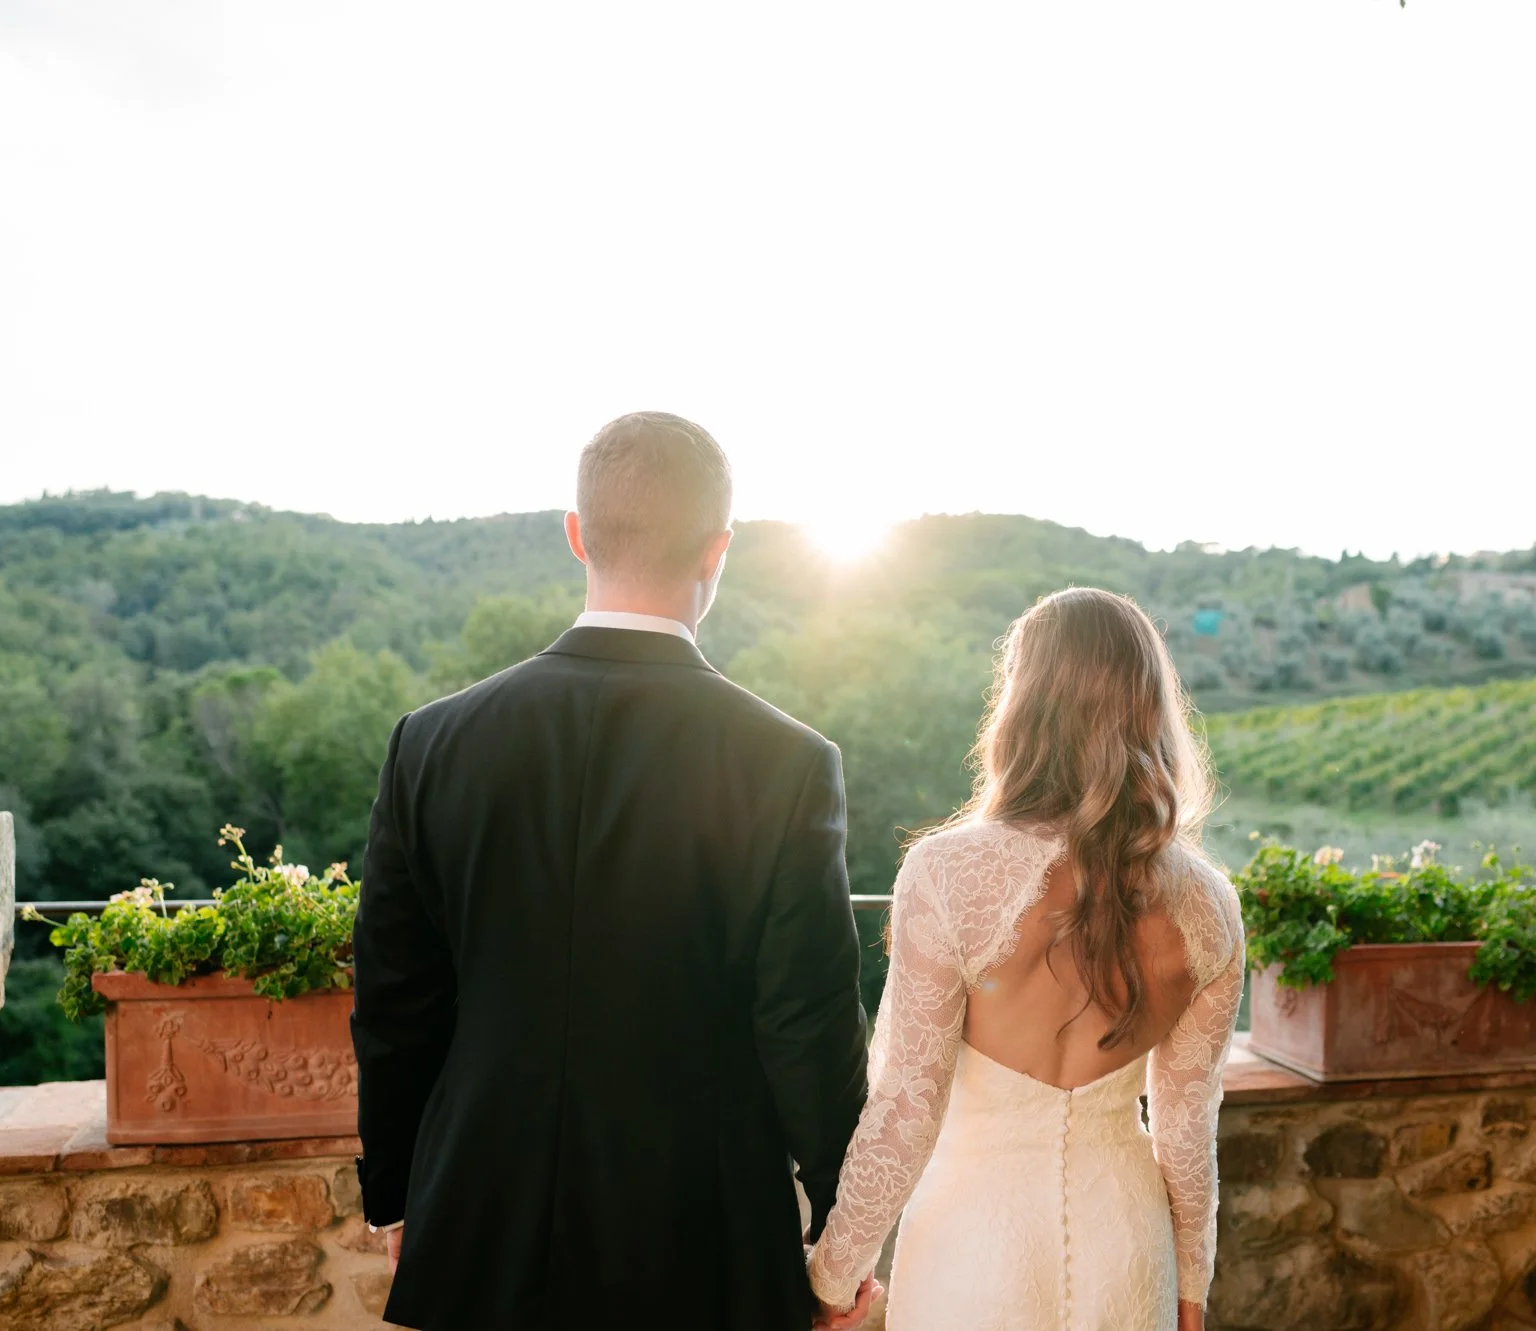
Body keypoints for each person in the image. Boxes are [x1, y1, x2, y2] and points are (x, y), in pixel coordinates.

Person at [352, 412, 880, 1330]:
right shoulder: (786, 762)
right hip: (702, 1239)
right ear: (718, 550)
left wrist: (399, 1192)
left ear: (576, 532)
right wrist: (845, 1239)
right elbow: (808, 1024)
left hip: (481, 1220)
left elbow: (397, 1000)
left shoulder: (430, 743)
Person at [805, 587, 1245, 1331]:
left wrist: (833, 1275)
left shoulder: (946, 872)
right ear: (1150, 707)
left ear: (1022, 703)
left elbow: (908, 1105)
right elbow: (1184, 1131)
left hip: (975, 1250)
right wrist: (1192, 1291)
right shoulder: (1208, 905)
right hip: (1128, 1248)